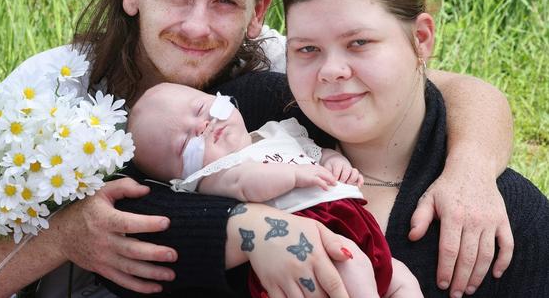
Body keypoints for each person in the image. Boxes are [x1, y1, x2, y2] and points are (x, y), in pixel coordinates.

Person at [0, 0, 516, 296]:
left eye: (225, 2)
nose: (198, 26)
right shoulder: (51, 88)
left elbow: (458, 89)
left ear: (258, 11)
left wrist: (471, 170)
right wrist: (64, 237)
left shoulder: (282, 64)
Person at [265, 0, 546, 296]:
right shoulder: (243, 126)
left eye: (359, 43)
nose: (331, 70)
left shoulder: (511, 216)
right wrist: (241, 225)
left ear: (422, 39)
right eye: (306, 49)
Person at [127, 82, 422, 298]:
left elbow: (315, 153)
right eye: (184, 144)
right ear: (180, 176)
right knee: (354, 269)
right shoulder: (213, 176)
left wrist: (335, 162)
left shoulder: (276, 131)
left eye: (200, 109)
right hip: (310, 244)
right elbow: (248, 184)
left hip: (353, 226)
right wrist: (293, 176)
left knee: (401, 279)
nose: (202, 126)